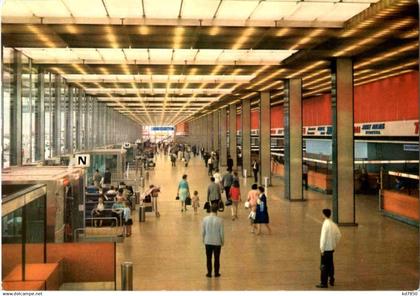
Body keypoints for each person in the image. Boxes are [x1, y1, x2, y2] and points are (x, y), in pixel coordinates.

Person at [316, 208, 342, 288]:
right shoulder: (333, 224)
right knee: (330, 265)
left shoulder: (325, 224)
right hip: (331, 249)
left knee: (323, 266)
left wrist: (322, 249)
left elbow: (323, 238)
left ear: (324, 214)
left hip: (326, 249)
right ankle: (331, 279)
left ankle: (324, 283)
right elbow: (339, 235)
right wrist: (334, 244)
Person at [202, 203, 224, 278]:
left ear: (210, 210)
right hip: (217, 242)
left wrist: (203, 239)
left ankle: (209, 273)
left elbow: (203, 231)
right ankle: (216, 273)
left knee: (208, 258)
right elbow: (222, 233)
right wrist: (222, 241)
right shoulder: (220, 220)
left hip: (208, 241)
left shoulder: (205, 219)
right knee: (217, 258)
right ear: (217, 210)